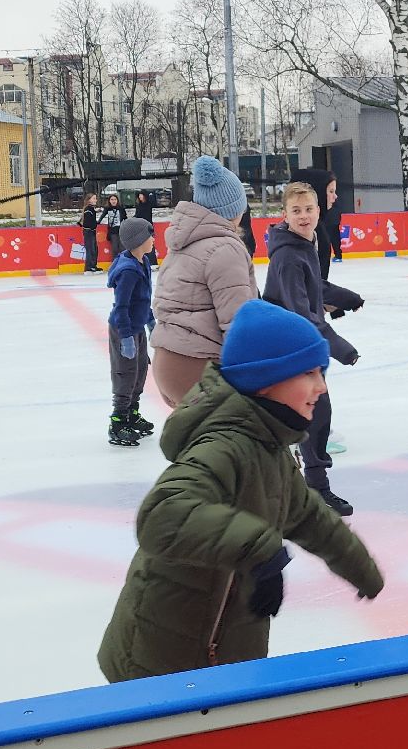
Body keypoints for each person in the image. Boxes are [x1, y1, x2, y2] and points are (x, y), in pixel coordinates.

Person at [96, 299, 384, 682]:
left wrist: (360, 568)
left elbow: (309, 518)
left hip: (219, 645)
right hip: (163, 659)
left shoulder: (270, 448)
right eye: (310, 373)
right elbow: (161, 515)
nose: (321, 387)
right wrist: (258, 548)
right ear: (266, 381)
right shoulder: (224, 446)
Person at [264, 182, 363, 514]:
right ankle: (312, 489)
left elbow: (313, 288)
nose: (304, 216)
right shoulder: (289, 256)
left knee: (311, 414)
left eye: (308, 209)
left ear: (318, 211)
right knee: (314, 413)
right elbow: (300, 310)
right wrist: (340, 347)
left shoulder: (303, 244)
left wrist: (344, 298)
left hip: (298, 342)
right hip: (291, 345)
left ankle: (304, 487)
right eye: (296, 211)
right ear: (285, 214)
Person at [150, 156, 258, 408]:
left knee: (198, 444)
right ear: (235, 210)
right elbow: (237, 322)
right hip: (197, 365)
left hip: (168, 361)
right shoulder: (226, 248)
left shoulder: (183, 243)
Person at [108, 218, 159, 446]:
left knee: (139, 372)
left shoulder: (143, 262)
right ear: (139, 240)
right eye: (151, 235)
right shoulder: (128, 270)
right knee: (125, 373)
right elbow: (122, 307)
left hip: (137, 326)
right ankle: (118, 422)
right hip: (124, 329)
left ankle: (132, 414)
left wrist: (149, 321)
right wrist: (126, 337)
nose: (154, 239)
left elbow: (143, 299)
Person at [133, 192, 158, 267]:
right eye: (139, 196)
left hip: (148, 226)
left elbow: (154, 202)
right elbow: (137, 215)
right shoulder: (138, 206)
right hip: (141, 227)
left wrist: (151, 194)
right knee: (142, 245)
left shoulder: (149, 204)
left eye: (141, 195)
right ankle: (144, 261)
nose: (140, 197)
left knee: (150, 244)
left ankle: (153, 262)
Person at [80, 194, 103, 274]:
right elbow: (87, 222)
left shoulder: (91, 209)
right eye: (94, 198)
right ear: (89, 200)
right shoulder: (88, 209)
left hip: (91, 231)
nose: (95, 200)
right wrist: (93, 225)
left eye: (95, 198)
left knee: (94, 249)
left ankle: (93, 266)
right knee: (90, 249)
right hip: (88, 231)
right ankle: (88, 268)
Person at [102, 193, 126, 260]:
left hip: (121, 230)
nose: (113, 201)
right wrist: (98, 222)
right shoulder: (107, 208)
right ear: (109, 201)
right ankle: (115, 262)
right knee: (115, 248)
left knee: (122, 248)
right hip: (112, 231)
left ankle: (123, 261)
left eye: (115, 199)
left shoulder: (121, 208)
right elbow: (102, 216)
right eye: (112, 199)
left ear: (117, 200)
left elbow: (125, 218)